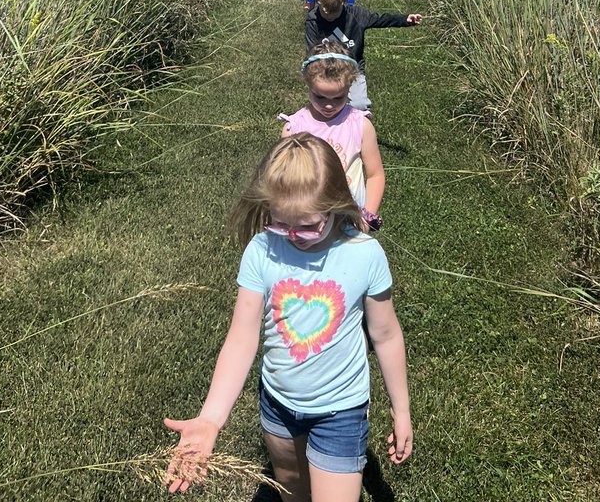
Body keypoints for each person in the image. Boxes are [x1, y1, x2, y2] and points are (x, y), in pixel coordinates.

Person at [163, 134, 413, 499]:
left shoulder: (365, 255)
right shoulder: (262, 250)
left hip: (341, 410)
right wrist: (211, 418)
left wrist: (400, 408)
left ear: (335, 203)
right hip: (278, 406)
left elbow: (386, 334)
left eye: (308, 225)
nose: (294, 236)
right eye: (281, 223)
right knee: (292, 487)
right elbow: (241, 337)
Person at [281, 42, 385, 230]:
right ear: (307, 84)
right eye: (320, 97)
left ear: (349, 87)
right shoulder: (294, 128)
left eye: (338, 98)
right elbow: (285, 178)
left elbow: (375, 174)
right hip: (307, 222)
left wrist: (368, 215)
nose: (328, 105)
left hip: (350, 220)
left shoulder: (360, 125)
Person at [304, 0, 422, 114]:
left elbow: (380, 19)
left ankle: (361, 130)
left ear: (345, 0)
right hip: (325, 71)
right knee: (324, 107)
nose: (330, 16)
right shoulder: (313, 21)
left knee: (359, 105)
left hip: (353, 69)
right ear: (317, 0)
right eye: (326, 11)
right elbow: (311, 51)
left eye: (335, 11)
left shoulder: (356, 15)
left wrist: (404, 19)